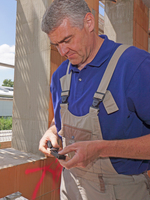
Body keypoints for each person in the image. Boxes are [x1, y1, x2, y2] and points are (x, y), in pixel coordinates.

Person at [38, 0, 150, 199]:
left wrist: (101, 148)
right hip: (70, 184)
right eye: (56, 44)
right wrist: (52, 131)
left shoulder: (135, 66)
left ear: (89, 22)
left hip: (121, 190)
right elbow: (58, 120)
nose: (62, 52)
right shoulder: (59, 76)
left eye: (67, 40)